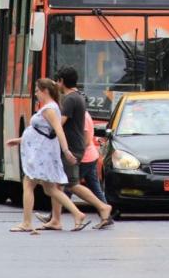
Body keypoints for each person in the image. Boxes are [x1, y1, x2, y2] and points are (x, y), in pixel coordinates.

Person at [5, 78, 90, 234]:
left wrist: (66, 151)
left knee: (29, 184)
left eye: (37, 91)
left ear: (44, 91)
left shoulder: (49, 109)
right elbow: (40, 133)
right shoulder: (51, 108)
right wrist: (19, 140)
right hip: (42, 152)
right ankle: (78, 214)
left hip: (41, 154)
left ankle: (26, 222)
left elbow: (58, 131)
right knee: (51, 189)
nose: (36, 94)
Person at [41, 66, 114, 231]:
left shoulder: (70, 99)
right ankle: (55, 220)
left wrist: (46, 132)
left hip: (72, 148)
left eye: (57, 81)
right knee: (58, 184)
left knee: (71, 184)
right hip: (75, 146)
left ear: (61, 81)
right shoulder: (76, 97)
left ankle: (103, 207)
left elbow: (60, 124)